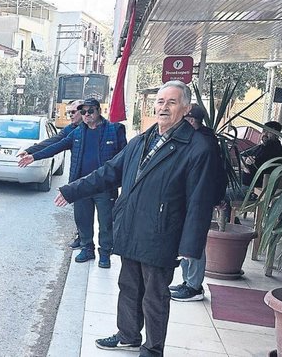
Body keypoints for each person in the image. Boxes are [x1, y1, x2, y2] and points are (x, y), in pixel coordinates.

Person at [53, 81, 221, 355]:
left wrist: (190, 247)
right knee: (128, 287)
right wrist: (71, 190)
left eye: (172, 102)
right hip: (131, 227)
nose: (163, 107)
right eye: (160, 101)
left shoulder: (198, 147)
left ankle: (153, 349)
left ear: (186, 108)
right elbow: (109, 172)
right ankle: (128, 335)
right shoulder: (143, 140)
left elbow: (200, 201)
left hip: (162, 232)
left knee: (155, 296)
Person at [18, 98, 126, 268]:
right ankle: (87, 248)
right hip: (80, 187)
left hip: (105, 186)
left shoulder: (114, 130)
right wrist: (33, 156)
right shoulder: (77, 132)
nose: (86, 115)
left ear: (99, 111)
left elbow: (124, 158)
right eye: (83, 112)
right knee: (83, 220)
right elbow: (56, 145)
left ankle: (104, 253)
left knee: (106, 222)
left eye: (90, 111)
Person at [168, 103, 226, 302]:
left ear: (191, 121)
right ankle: (187, 281)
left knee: (194, 241)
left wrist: (216, 198)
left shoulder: (204, 143)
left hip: (199, 200)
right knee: (186, 239)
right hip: (191, 199)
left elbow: (215, 175)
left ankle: (194, 286)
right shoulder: (197, 139)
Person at [18, 99, 85, 249]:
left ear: (83, 111)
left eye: (73, 112)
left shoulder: (99, 128)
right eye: (69, 113)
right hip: (78, 178)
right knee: (81, 211)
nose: (70, 116)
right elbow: (54, 143)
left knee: (104, 216)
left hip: (99, 179)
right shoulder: (71, 130)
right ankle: (83, 240)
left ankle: (105, 252)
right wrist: (31, 151)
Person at [240, 120, 282, 186]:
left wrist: (247, 163)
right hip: (245, 183)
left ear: (277, 134)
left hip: (255, 188)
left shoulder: (276, 150)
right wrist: (245, 165)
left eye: (269, 132)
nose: (265, 134)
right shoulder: (262, 146)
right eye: (264, 131)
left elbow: (259, 167)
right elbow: (242, 155)